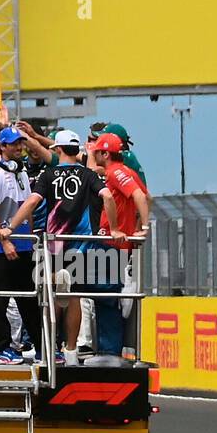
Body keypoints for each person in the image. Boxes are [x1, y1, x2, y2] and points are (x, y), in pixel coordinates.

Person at [0, 129, 120, 363]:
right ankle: (71, 351)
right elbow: (108, 197)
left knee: (48, 297)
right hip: (82, 245)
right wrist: (114, 229)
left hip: (53, 245)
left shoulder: (48, 175)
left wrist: (10, 228)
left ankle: (51, 348)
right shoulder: (89, 175)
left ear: (59, 150)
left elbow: (32, 201)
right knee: (74, 297)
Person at [90, 132, 149, 362]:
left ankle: (108, 351)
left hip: (110, 244)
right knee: (107, 296)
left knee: (105, 297)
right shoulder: (124, 172)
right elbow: (147, 196)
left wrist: (143, 227)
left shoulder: (116, 173)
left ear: (106, 153)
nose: (94, 155)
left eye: (97, 152)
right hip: (115, 244)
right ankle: (110, 350)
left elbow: (139, 197)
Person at [0, 148, 42, 364]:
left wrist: (31, 237)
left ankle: (42, 347)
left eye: (20, 143)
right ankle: (0, 349)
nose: (18, 147)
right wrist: (5, 242)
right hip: (0, 249)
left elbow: (27, 209)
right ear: (3, 148)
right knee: (0, 300)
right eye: (13, 143)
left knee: (29, 300)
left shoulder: (22, 173)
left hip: (24, 246)